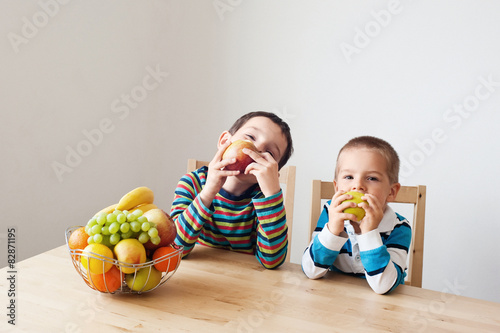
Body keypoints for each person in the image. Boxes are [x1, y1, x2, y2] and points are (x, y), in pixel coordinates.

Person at [171, 111, 294, 269]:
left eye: (269, 153)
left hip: (245, 284)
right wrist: (208, 193)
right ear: (224, 141)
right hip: (198, 277)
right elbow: (175, 248)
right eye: (250, 137)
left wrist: (272, 195)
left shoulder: (264, 200)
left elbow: (272, 261)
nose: (255, 149)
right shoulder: (192, 183)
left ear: (273, 172)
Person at [302, 136, 411, 294]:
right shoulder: (331, 212)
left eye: (372, 178)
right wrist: (333, 230)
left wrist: (368, 233)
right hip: (335, 299)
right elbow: (311, 270)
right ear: (337, 186)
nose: (358, 185)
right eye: (349, 177)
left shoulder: (399, 227)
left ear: (391, 192)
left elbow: (383, 286)